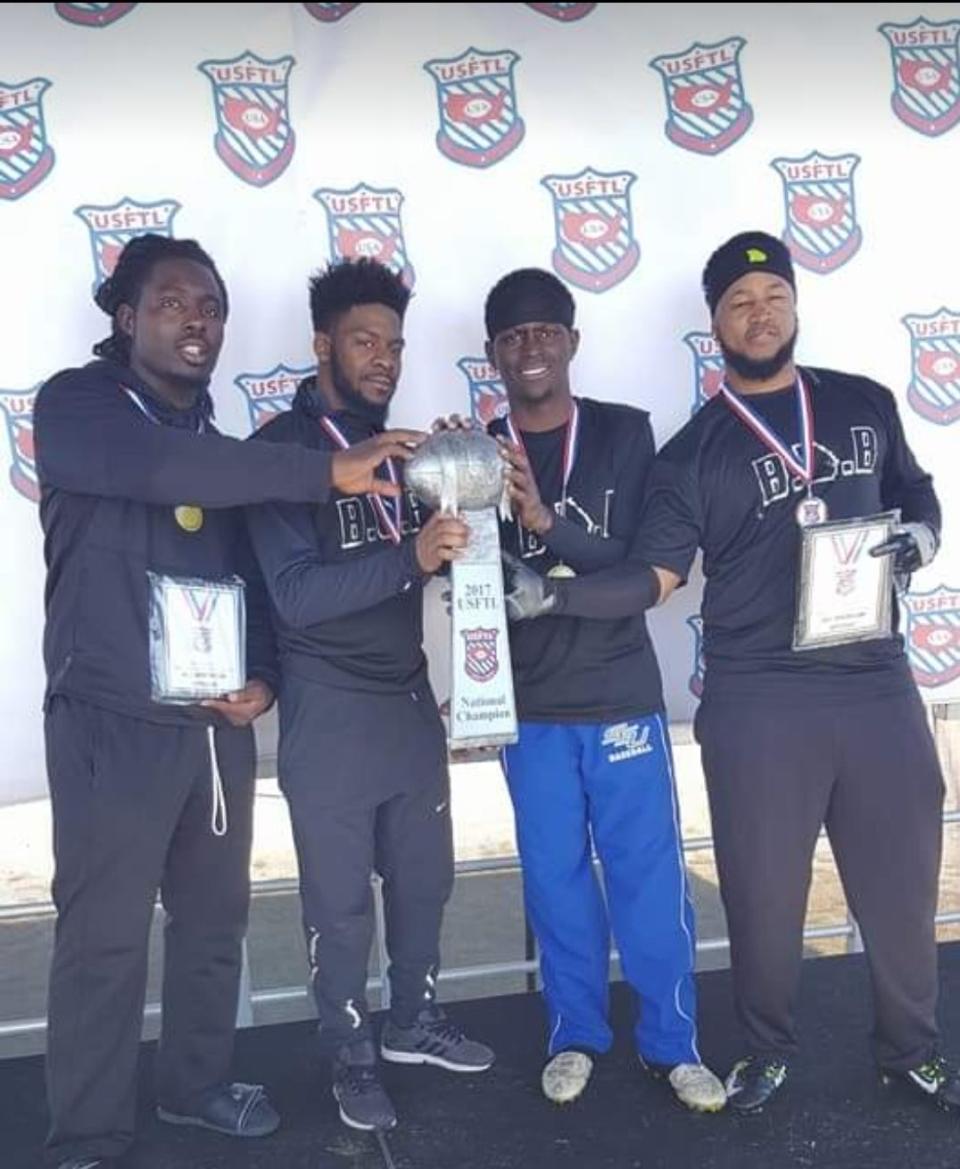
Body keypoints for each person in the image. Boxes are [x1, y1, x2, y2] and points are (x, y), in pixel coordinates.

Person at [504, 232, 954, 1115]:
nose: (760, 314)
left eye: (773, 297)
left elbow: (918, 489)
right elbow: (653, 579)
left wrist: (925, 538)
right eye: (740, 303)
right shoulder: (691, 451)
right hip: (759, 697)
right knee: (761, 893)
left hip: (876, 681)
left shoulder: (863, 402)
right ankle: (769, 1051)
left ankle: (912, 1050)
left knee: (902, 884)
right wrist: (553, 597)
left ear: (794, 304)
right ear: (713, 323)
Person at [34, 234, 423, 1169]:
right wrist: (325, 468)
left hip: (212, 727)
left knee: (214, 926)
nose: (197, 319)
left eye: (211, 305)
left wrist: (268, 678)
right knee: (105, 937)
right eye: (174, 302)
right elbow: (161, 472)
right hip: (111, 723)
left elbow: (250, 585)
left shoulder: (222, 449)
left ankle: (196, 1087)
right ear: (126, 318)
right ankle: (88, 1131)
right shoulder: (80, 408)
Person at [245, 258, 494, 1134]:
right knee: (341, 907)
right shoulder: (283, 450)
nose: (383, 358)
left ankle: (412, 1022)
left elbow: (448, 555)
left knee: (426, 881)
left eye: (393, 343)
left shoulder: (408, 455)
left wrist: (463, 475)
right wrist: (411, 556)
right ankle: (349, 1052)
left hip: (406, 703)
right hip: (328, 715)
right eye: (363, 341)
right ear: (321, 345)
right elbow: (298, 595)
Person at [483, 268, 726, 1112]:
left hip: (620, 697)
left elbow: (635, 570)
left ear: (573, 341)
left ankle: (672, 1042)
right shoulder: (476, 450)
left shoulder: (626, 433)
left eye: (546, 330)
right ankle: (576, 1033)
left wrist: (546, 523)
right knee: (554, 881)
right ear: (493, 355)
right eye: (514, 336)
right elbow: (465, 589)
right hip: (531, 709)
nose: (532, 347)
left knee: (648, 879)